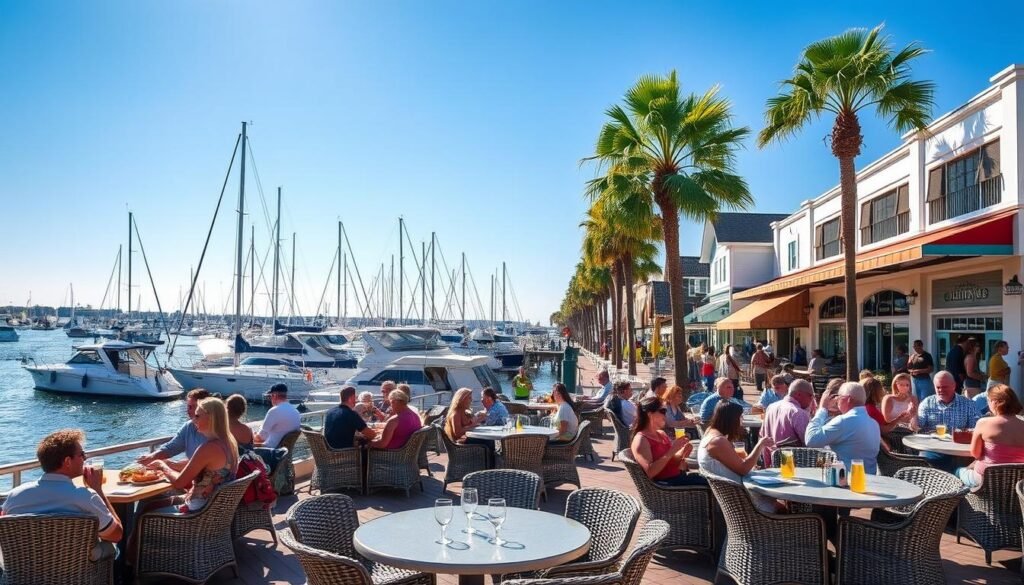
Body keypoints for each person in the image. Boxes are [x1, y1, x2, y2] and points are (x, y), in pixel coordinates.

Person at [2, 429, 122, 560]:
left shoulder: (14, 497)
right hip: (76, 573)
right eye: (82, 454)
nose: (85, 458)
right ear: (67, 462)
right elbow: (116, 535)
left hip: (24, 573)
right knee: (114, 549)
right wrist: (98, 490)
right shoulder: (86, 497)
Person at [144, 397, 238, 512]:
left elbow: (179, 483)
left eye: (197, 416)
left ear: (211, 418)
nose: (193, 420)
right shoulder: (229, 442)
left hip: (198, 511)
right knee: (155, 501)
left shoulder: (208, 448)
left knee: (147, 507)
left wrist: (162, 466)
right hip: (217, 509)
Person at [697, 401, 777, 512]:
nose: (742, 420)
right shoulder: (718, 441)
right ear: (732, 419)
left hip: (734, 496)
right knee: (784, 507)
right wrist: (760, 445)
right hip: (742, 501)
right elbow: (743, 469)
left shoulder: (710, 432)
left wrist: (749, 464)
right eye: (740, 416)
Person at [955, 384, 1024, 488]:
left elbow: (976, 454)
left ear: (995, 402)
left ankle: (963, 503)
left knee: (958, 471)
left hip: (986, 482)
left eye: (988, 400)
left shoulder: (983, 423)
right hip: (1017, 483)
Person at [804, 382, 880, 474]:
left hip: (845, 481)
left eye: (839, 396)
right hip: (870, 480)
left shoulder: (843, 421)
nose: (837, 400)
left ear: (847, 399)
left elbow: (811, 440)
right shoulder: (874, 423)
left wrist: (822, 409)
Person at [630, 396, 704, 486]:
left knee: (710, 478)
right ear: (650, 415)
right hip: (666, 485)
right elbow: (650, 472)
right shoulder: (641, 440)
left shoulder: (661, 434)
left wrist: (682, 453)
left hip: (677, 477)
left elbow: (671, 461)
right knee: (712, 483)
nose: (666, 415)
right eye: (663, 411)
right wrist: (672, 450)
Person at [138, 388, 211, 466]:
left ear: (204, 409)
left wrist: (167, 465)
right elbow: (172, 447)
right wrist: (151, 457)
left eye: (192, 407)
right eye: (188, 406)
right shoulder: (189, 426)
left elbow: (203, 464)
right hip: (197, 475)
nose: (188, 411)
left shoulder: (217, 431)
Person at [762, 379, 815, 462]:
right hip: (792, 466)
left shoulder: (771, 407)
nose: (812, 400)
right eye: (811, 396)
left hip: (771, 464)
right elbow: (810, 443)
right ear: (799, 394)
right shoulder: (798, 412)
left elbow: (762, 437)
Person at [254, 384, 301, 449]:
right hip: (284, 452)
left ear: (275, 395)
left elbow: (261, 437)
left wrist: (252, 436)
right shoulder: (296, 412)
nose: (270, 399)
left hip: (270, 451)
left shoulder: (274, 411)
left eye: (270, 396)